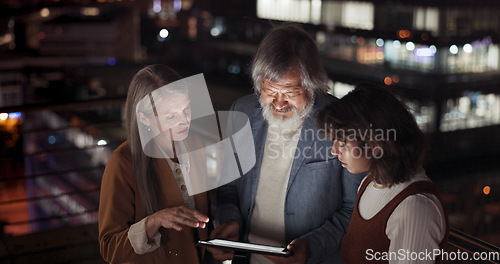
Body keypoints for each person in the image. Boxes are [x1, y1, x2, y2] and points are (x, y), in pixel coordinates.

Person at [210, 23, 364, 264]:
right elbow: (228, 187)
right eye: (269, 90)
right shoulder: (241, 112)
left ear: (312, 84)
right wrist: (231, 221)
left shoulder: (343, 120)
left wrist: (311, 248)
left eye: (290, 92)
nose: (278, 103)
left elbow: (354, 209)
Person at [316, 82, 449, 264]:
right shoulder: (369, 183)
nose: (333, 150)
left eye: (342, 143)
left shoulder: (414, 208)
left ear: (374, 145)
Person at [98, 64, 210, 264]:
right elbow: (110, 248)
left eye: (187, 109)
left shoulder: (196, 145)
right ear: (144, 118)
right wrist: (153, 221)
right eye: (171, 116)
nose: (184, 121)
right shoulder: (123, 162)